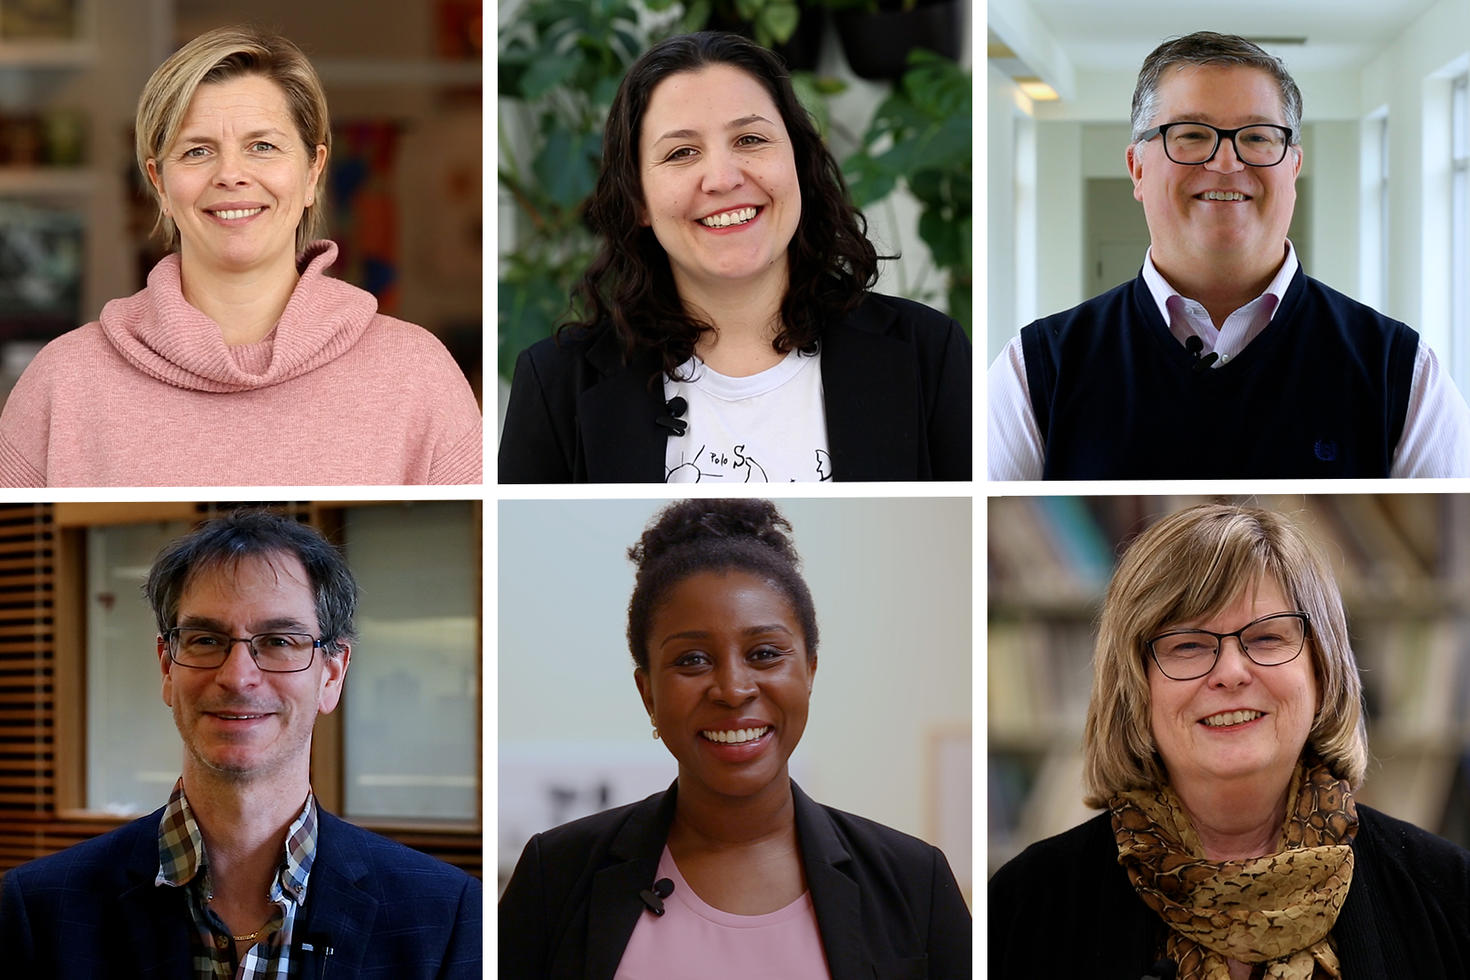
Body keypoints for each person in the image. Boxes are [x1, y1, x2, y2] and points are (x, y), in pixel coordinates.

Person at [989, 504, 1470, 978]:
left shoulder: (1449, 890)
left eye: (1266, 638)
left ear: (1322, 670)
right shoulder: (1026, 904)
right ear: (1135, 685)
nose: (1231, 674)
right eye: (1188, 645)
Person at [499, 499, 971, 976]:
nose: (733, 689)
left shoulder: (916, 882)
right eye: (692, 660)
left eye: (765, 653)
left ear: (809, 671)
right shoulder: (554, 875)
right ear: (648, 693)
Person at [0, 510, 481, 977]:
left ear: (332, 675)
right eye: (206, 640)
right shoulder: (36, 910)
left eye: (278, 641)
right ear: (168, 668)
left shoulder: (448, 916)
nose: (238, 677)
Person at [0, 26, 482, 486]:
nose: (231, 174)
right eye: (196, 152)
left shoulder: (415, 373)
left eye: (263, 146)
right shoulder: (62, 382)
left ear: (313, 171)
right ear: (158, 183)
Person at [987, 32, 1470, 479]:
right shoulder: (1032, 372)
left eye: (1258, 137)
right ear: (1137, 168)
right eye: (1192, 135)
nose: (1225, 162)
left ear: (1293, 167)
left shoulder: (1403, 373)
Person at [498, 32, 971, 483]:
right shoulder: (556, 384)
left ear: (800, 166)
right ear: (638, 199)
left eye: (750, 140)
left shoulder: (928, 352)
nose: (722, 179)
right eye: (682, 152)